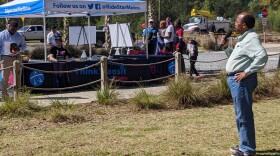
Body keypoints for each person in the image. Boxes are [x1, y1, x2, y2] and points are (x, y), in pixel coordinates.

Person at [221, 12, 268, 156]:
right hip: (237, 81)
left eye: (237, 21)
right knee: (241, 114)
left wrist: (246, 72)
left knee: (244, 115)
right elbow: (239, 59)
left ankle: (247, 149)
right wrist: (226, 48)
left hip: (242, 81)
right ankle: (244, 144)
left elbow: (262, 56)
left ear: (244, 25)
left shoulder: (251, 38)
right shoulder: (244, 39)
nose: (234, 23)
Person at [0, 19, 26, 99]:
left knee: (17, 77)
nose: (13, 31)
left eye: (15, 29)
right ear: (8, 26)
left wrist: (19, 49)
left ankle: (17, 95)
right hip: (5, 57)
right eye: (12, 29)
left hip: (17, 58)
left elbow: (24, 46)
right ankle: (4, 95)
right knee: (5, 78)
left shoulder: (19, 35)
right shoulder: (1, 35)